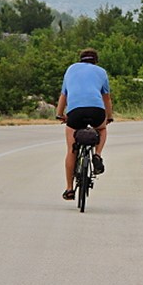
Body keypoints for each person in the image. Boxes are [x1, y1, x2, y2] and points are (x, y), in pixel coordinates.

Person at [56, 48, 113, 201]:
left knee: (71, 150)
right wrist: (109, 117)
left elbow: (64, 94)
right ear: (96, 61)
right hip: (96, 110)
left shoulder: (71, 69)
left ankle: (69, 189)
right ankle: (97, 155)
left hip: (75, 112)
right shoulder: (101, 72)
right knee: (101, 129)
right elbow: (106, 98)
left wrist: (59, 114)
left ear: (80, 59)